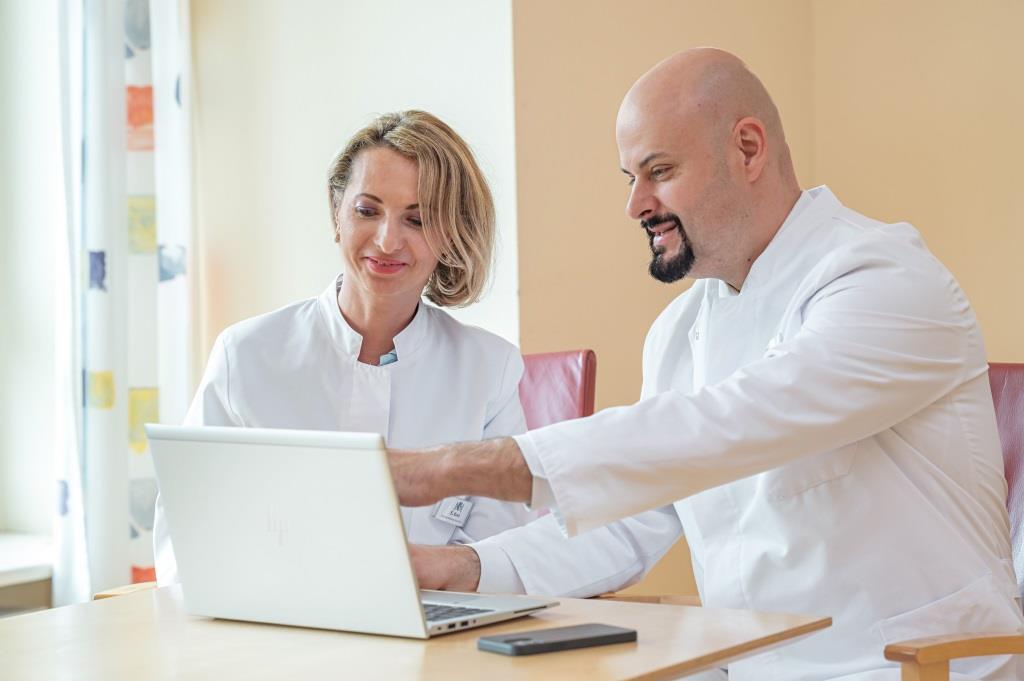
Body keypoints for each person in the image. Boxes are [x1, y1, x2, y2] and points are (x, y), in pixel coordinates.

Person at [387, 50, 1023, 681]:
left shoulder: (884, 277)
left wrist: (448, 467)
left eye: (658, 170)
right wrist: (457, 568)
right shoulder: (678, 332)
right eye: (629, 178)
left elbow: (735, 422)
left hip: (914, 668)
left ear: (747, 150)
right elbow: (633, 517)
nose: (636, 204)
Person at [153, 110, 533, 585]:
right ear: (336, 214)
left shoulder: (489, 369)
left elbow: (496, 558)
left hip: (434, 642)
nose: (388, 240)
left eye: (417, 219)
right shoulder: (246, 355)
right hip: (273, 630)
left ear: (450, 234)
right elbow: (185, 543)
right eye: (367, 211)